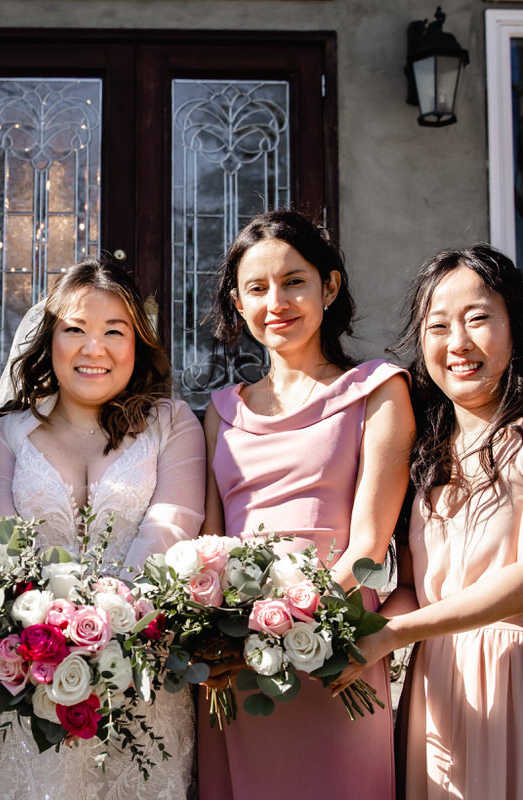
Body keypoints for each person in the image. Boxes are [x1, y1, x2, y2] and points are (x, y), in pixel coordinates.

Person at [333, 244, 523, 799]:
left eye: (477, 319)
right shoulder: (427, 451)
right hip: (440, 699)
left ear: (515, 325)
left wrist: (393, 636)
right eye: (438, 326)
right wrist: (341, 633)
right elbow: (416, 589)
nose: (458, 343)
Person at [0, 257, 205, 800]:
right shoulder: (6, 435)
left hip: (141, 667)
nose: (95, 349)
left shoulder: (172, 423)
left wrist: (112, 625)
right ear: (49, 340)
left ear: (138, 343)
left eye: (114, 331)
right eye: (75, 330)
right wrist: (53, 635)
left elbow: (172, 526)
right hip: (29, 669)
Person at [196, 209, 414, 799]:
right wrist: (224, 634)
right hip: (234, 663)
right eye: (257, 288)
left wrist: (284, 628)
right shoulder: (221, 412)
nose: (277, 302)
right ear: (238, 304)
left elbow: (369, 547)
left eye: (294, 281)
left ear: (330, 287)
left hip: (335, 650)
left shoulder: (378, 390)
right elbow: (209, 545)